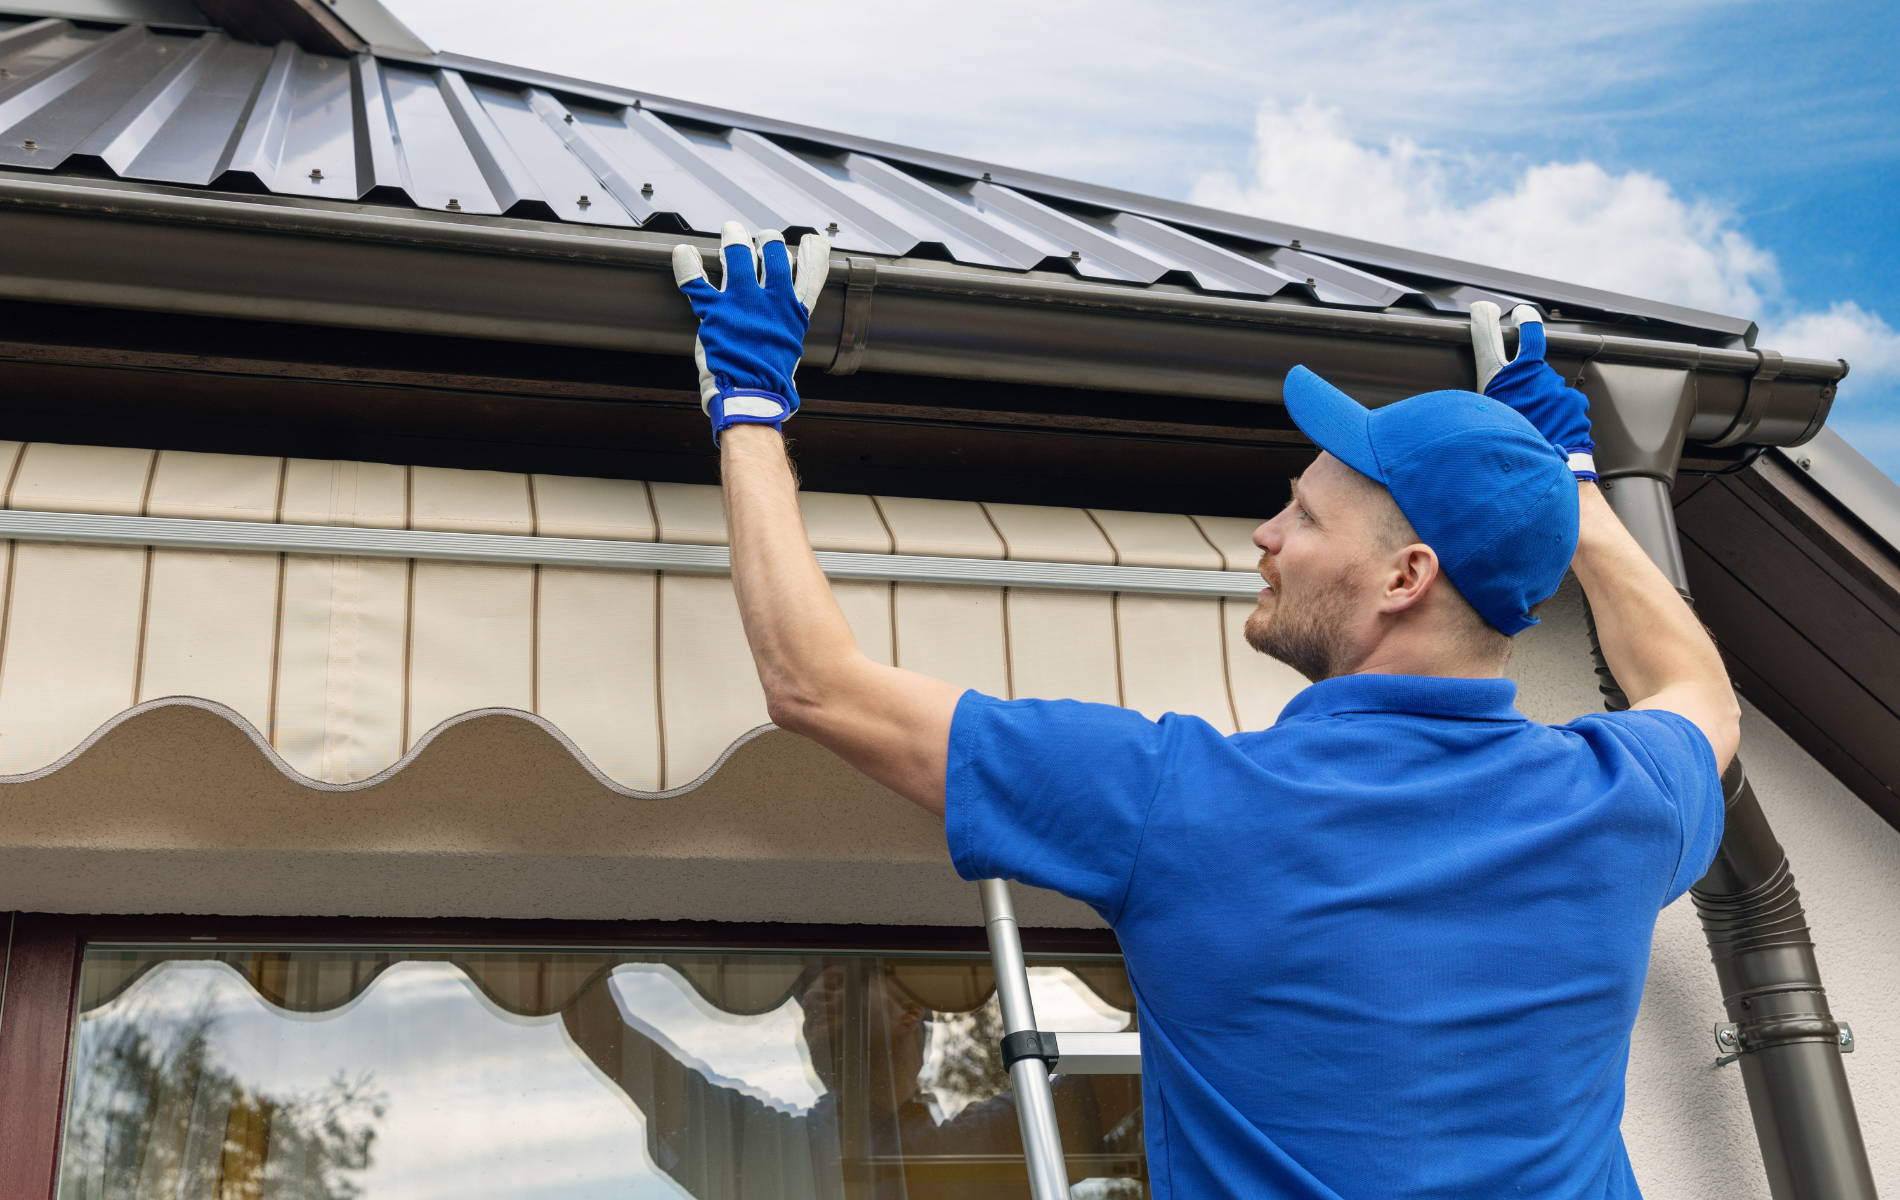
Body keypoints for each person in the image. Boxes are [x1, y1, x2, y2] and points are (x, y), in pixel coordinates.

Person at [668, 223, 1738, 1199]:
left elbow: (815, 683)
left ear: (1406, 577)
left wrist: (751, 406)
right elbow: (1698, 692)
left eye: (1304, 515)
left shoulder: (1184, 805)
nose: (1267, 534)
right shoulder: (1618, 803)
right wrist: (1572, 493)